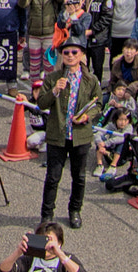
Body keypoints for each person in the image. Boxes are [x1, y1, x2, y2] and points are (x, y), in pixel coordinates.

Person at [35, 43, 101, 230]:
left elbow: (98, 104)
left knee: (79, 176)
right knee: (53, 177)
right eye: (66, 53)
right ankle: (47, 215)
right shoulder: (53, 78)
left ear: (81, 55)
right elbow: (41, 103)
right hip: (58, 135)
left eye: (74, 52)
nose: (70, 56)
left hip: (81, 136)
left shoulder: (91, 79)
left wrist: (88, 116)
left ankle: (75, 211)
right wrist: (55, 90)